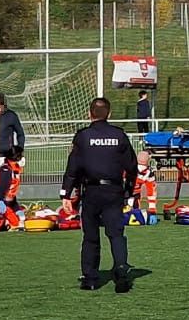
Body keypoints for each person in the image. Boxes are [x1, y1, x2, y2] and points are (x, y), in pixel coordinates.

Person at [59, 97, 139, 292]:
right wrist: (128, 190)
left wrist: (66, 194)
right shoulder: (119, 136)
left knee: (91, 236)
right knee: (116, 234)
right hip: (113, 191)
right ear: (109, 114)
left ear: (89, 113)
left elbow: (73, 168)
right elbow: (132, 166)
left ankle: (91, 279)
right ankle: (121, 271)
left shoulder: (83, 137)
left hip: (91, 191)